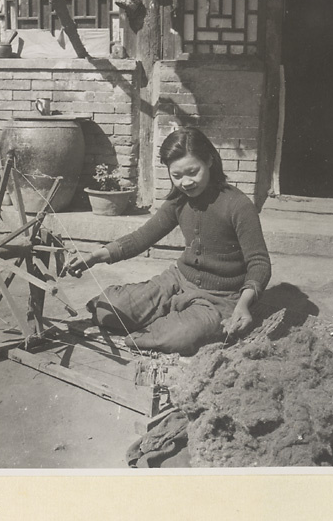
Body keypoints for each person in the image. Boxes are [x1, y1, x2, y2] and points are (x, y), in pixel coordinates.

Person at [66, 127, 271, 356]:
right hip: (178, 280)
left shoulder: (238, 205)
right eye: (177, 176)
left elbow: (259, 262)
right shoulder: (179, 202)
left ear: (210, 161)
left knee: (179, 339)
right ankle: (169, 311)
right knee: (107, 310)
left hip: (220, 298)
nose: (186, 182)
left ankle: (170, 321)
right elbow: (142, 237)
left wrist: (244, 304)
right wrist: (96, 257)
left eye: (193, 172)